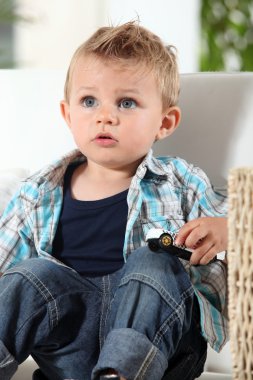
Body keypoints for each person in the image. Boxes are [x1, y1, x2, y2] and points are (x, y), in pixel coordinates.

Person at [0, 21, 228, 380]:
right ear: (68, 114)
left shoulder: (182, 181)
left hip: (160, 346)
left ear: (165, 122)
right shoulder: (36, 193)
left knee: (153, 260)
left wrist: (228, 228)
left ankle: (123, 372)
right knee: (31, 276)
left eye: (127, 102)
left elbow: (243, 220)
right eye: (89, 101)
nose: (105, 115)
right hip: (75, 346)